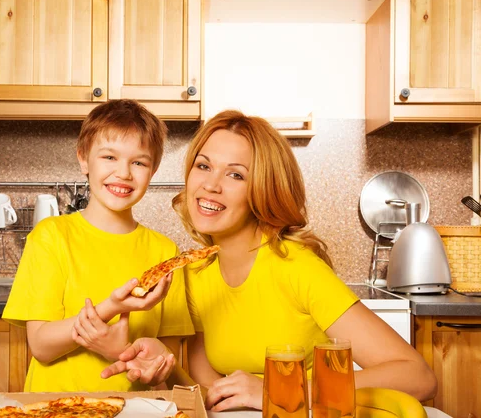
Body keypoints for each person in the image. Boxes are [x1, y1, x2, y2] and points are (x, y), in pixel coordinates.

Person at [101, 110, 437, 410]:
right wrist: (167, 363)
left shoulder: (297, 268)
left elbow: (418, 376)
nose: (210, 185)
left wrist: (278, 388)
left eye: (236, 175)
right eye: (203, 166)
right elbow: (212, 392)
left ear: (264, 188)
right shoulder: (197, 274)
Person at [2, 99, 194, 393]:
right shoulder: (51, 236)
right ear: (83, 159)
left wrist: (131, 356)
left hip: (134, 412)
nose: (124, 173)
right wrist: (110, 308)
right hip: (56, 411)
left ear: (152, 171)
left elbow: (164, 356)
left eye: (139, 162)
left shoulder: (165, 252)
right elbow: (41, 345)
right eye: (109, 157)